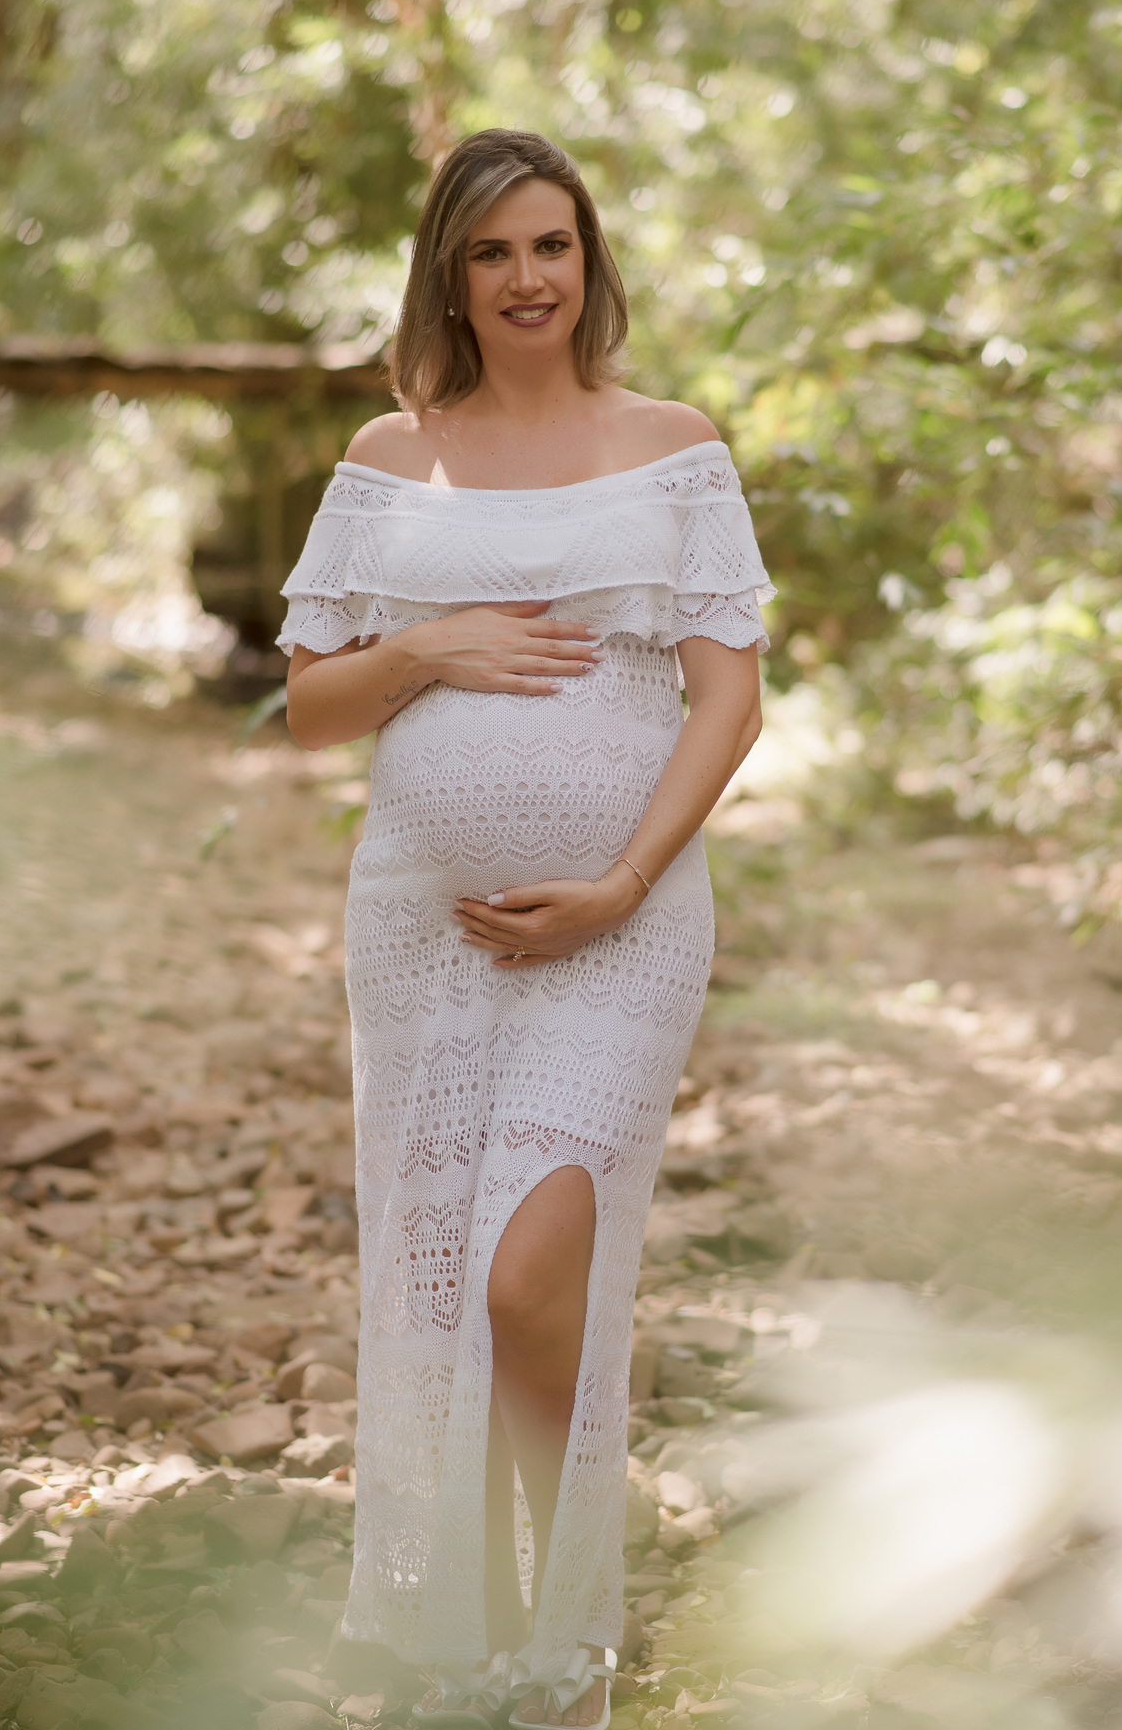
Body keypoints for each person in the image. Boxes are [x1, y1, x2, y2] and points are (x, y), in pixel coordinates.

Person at [280, 128, 771, 1730]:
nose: (526, 278)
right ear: (452, 274)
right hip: (424, 932)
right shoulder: (389, 457)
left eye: (551, 245)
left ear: (590, 259)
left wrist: (622, 881)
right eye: (492, 253)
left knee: (517, 1269)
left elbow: (729, 692)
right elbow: (307, 709)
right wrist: (428, 647)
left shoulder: (675, 445)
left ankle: (561, 1601)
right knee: (442, 1269)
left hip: (625, 924)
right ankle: (486, 1627)